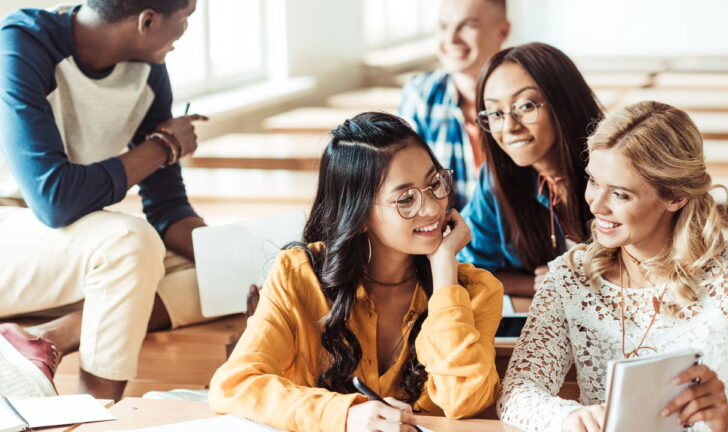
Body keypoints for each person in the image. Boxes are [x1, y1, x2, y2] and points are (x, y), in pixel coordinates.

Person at [208, 112, 502, 432]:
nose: (432, 208)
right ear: (358, 214)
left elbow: (465, 400)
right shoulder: (299, 274)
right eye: (405, 199)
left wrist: (444, 272)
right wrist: (345, 414)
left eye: (434, 184)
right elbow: (234, 384)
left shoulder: (474, 290)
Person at [497, 101, 728, 432]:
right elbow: (515, 394)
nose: (595, 204)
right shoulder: (570, 278)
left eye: (621, 195)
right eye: (593, 181)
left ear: (675, 197)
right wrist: (567, 417)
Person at [0, 0, 210, 400]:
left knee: (227, 282)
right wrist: (163, 145)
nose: (185, 34)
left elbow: (167, 206)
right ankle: (94, 412)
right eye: (185, 20)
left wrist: (234, 255)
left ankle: (50, 336)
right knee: (130, 242)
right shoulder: (22, 43)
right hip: (10, 232)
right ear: (147, 21)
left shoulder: (148, 70)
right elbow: (53, 198)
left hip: (60, 246)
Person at [458, 43, 604, 296]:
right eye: (495, 113)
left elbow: (658, 268)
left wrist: (581, 278)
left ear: (564, 101)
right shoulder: (495, 180)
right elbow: (466, 269)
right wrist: (548, 284)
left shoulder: (620, 167)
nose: (508, 126)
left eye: (525, 106)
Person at [399, 0, 510, 210]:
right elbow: (404, 184)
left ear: (502, 31)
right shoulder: (420, 95)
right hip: (443, 236)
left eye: (467, 25)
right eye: (443, 26)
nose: (450, 38)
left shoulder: (528, 96)